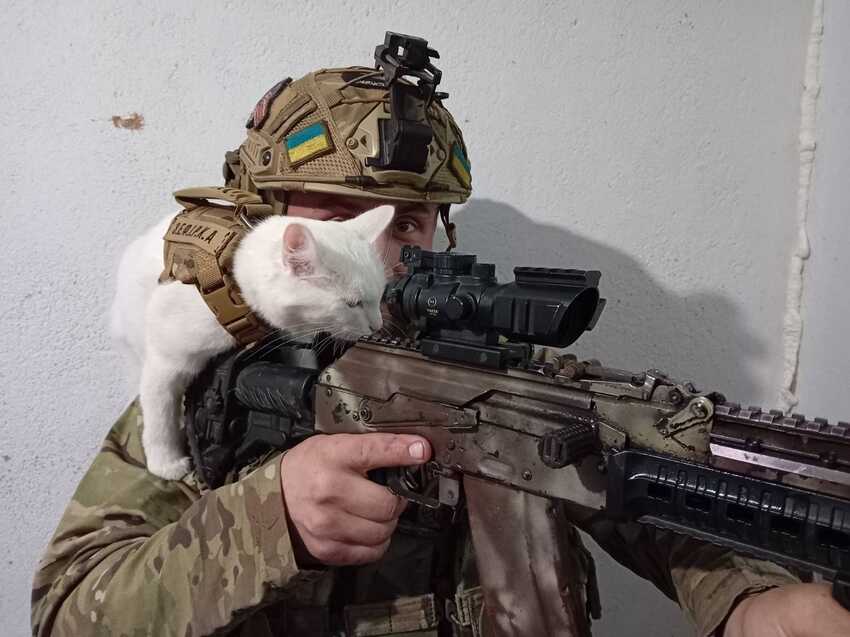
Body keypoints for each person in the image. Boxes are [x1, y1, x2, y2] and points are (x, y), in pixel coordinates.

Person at [32, 50, 850, 637]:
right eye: (329, 216)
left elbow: (649, 487)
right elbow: (68, 609)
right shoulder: (203, 388)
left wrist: (752, 603)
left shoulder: (507, 374)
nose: (383, 253)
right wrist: (268, 514)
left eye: (409, 221)